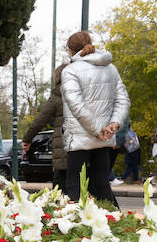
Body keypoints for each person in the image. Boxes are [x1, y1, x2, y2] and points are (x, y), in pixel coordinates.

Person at [60, 31, 128, 208]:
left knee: (74, 186)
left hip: (81, 137)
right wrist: (114, 124)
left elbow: (76, 105)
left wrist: (99, 130)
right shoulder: (111, 68)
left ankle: (75, 227)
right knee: (102, 184)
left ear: (70, 50)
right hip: (104, 139)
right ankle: (116, 223)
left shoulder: (70, 71)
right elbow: (122, 100)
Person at [23, 64, 70, 196]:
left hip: (63, 144)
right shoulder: (82, 91)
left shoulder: (57, 95)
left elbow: (40, 120)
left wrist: (27, 139)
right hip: (83, 146)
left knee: (60, 185)